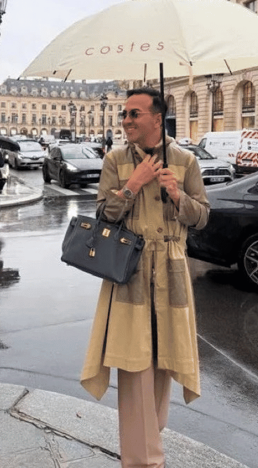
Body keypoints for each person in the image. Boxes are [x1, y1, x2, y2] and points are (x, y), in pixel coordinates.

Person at [80, 87, 209, 468]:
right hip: (130, 270)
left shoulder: (185, 161)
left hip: (171, 270)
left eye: (134, 114)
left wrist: (178, 196)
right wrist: (132, 185)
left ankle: (147, 439)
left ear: (157, 117)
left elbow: (203, 217)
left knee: (164, 359)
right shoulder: (116, 160)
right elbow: (103, 215)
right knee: (134, 362)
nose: (126, 121)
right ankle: (145, 460)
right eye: (124, 114)